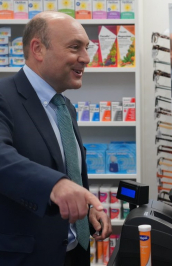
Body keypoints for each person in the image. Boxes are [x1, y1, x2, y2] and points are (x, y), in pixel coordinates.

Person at [0, 12, 112, 265]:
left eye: (87, 48)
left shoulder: (64, 107)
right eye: (75, 47)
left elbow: (67, 167)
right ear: (38, 49)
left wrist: (87, 209)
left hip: (74, 253)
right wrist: (56, 185)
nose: (85, 58)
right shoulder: (4, 98)